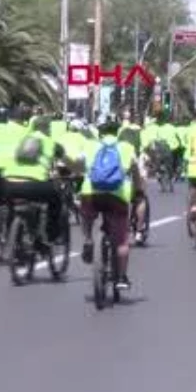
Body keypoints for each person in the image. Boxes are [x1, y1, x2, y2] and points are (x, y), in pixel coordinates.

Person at [79, 119, 139, 291]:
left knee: (86, 215)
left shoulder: (90, 146)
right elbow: (136, 174)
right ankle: (121, 277)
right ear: (118, 133)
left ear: (100, 133)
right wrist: (139, 192)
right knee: (121, 240)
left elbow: (78, 165)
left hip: (91, 193)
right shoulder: (127, 148)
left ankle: (88, 239)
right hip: (118, 197)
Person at [2, 114, 65, 252]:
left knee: (11, 207)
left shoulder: (22, 140)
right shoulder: (51, 143)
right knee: (55, 200)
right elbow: (66, 160)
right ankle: (51, 236)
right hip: (34, 184)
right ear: (48, 129)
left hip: (9, 183)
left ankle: (9, 236)